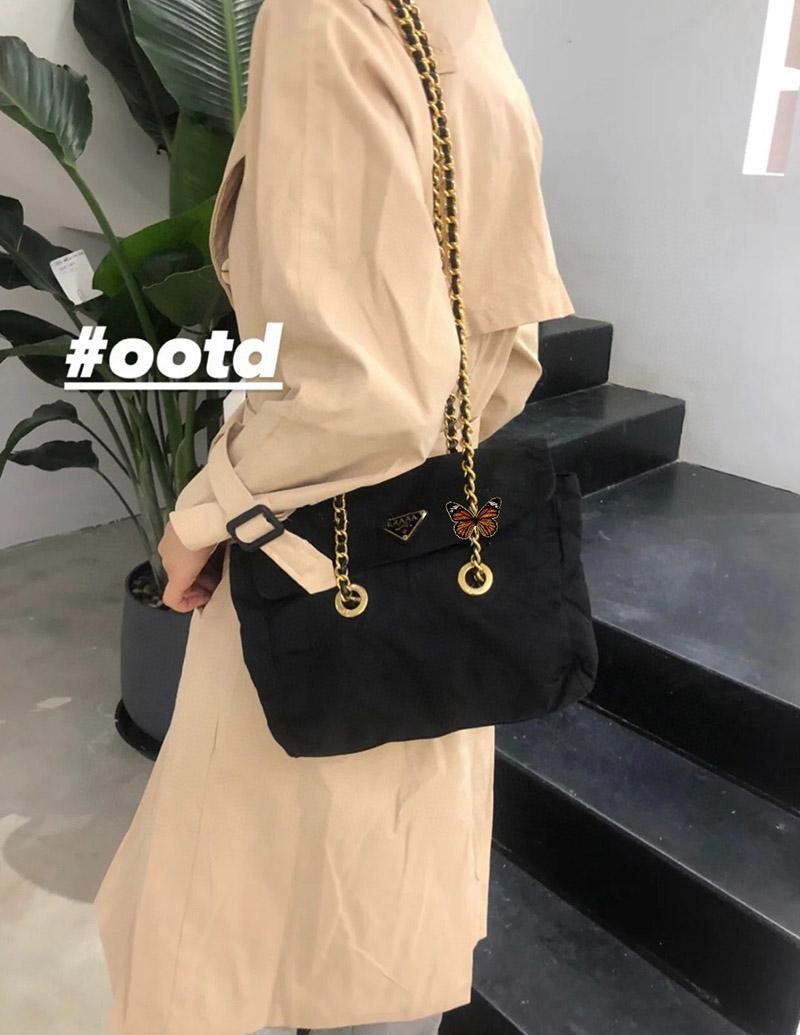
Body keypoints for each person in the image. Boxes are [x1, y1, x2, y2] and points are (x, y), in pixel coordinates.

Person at [92, 1, 575, 1033]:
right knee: (366, 930)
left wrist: (203, 513)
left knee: (216, 949)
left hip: (312, 550)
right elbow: (507, 339)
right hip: (427, 558)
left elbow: (360, 389)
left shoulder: (323, 14)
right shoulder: (451, 16)